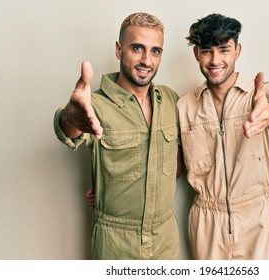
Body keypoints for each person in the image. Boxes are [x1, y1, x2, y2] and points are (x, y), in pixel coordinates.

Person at [53, 12, 182, 260]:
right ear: (118, 49)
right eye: (137, 48)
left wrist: (113, 183)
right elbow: (65, 129)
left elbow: (176, 162)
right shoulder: (95, 105)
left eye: (156, 51)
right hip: (115, 242)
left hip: (165, 238)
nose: (147, 60)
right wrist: (71, 115)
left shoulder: (170, 100)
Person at [177, 13, 269, 259]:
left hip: (257, 217)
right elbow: (173, 166)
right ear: (196, 53)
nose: (215, 60)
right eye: (207, 51)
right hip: (207, 222)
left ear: (237, 50)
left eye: (223, 50)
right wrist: (113, 187)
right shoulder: (183, 107)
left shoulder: (260, 93)